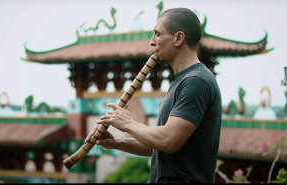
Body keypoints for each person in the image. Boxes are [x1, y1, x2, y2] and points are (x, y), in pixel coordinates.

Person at [84, 7, 222, 183]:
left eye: (157, 34)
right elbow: (157, 146)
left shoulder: (197, 81)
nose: (151, 41)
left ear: (178, 38)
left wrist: (127, 123)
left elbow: (168, 140)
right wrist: (116, 143)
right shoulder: (181, 81)